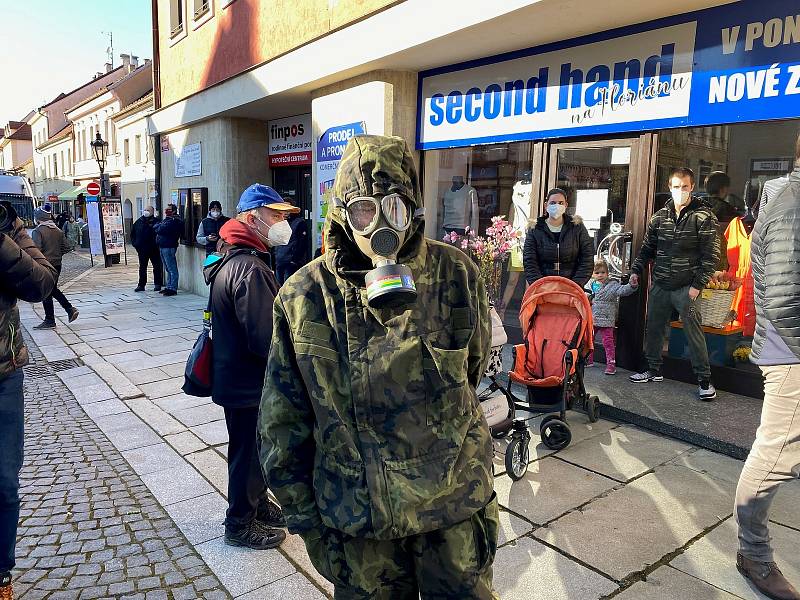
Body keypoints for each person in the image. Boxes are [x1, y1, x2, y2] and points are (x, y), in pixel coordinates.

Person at [259, 135, 498, 599]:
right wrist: (309, 523)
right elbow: (282, 424)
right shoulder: (304, 296)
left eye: (395, 207)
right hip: (360, 528)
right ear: (342, 214)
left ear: (414, 207)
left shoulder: (456, 274)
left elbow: (471, 372)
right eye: (365, 210)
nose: (380, 225)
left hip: (452, 516)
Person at [204, 184, 297, 550]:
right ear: (250, 217)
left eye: (284, 216)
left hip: (237, 377)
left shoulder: (234, 257)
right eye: (275, 215)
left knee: (251, 449)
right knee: (250, 452)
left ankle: (256, 506)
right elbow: (266, 337)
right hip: (249, 382)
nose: (282, 223)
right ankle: (240, 522)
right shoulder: (249, 268)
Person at [733, 138, 800, 600]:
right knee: (776, 457)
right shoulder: (791, 208)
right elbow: (782, 297)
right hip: (792, 353)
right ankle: (753, 554)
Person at [0, 201, 56, 600]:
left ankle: (1, 572)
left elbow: (42, 282)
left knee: (3, 482)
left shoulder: (6, 222)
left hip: (3, 375)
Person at [629, 167, 720, 400]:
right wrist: (636, 270)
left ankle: (704, 380)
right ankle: (652, 369)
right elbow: (648, 248)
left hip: (686, 287)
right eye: (676, 187)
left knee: (693, 332)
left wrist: (696, 286)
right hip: (661, 283)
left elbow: (711, 256)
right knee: (654, 327)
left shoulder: (704, 216)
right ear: (670, 187)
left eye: (685, 187)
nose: (681, 191)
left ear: (692, 187)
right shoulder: (659, 217)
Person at [523, 187, 594, 288]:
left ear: (566, 205)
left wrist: (575, 285)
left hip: (572, 289)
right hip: (543, 289)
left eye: (561, 203)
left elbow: (587, 258)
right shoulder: (535, 228)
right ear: (545, 205)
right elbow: (529, 261)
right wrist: (541, 286)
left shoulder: (577, 227)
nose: (557, 206)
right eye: (552, 203)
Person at [31, 205, 79, 329]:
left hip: (45, 265)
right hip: (57, 264)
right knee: (51, 289)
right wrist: (57, 254)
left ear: (38, 218)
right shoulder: (57, 230)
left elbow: (36, 250)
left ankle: (50, 319)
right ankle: (68, 310)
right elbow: (67, 247)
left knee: (46, 291)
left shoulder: (38, 231)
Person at [588, 259, 638, 375]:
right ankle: (588, 359)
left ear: (607, 273)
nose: (600, 275)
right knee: (589, 341)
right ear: (592, 274)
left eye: (602, 272)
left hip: (607, 319)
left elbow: (623, 290)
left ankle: (611, 364)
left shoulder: (613, 285)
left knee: (608, 343)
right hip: (593, 318)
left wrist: (631, 286)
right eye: (597, 273)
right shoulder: (590, 286)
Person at [131, 205, 163, 292]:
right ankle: (141, 285)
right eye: (145, 210)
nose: (146, 211)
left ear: (152, 212)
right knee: (142, 267)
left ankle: (158, 284)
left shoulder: (157, 222)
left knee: (156, 266)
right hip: (142, 249)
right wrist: (136, 244)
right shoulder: (139, 222)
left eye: (148, 210)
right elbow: (133, 234)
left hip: (154, 249)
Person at [273, 207, 309, 284]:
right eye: (283, 209)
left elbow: (303, 243)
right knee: (278, 287)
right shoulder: (279, 223)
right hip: (279, 261)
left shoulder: (299, 223)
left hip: (291, 262)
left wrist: (295, 260)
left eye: (287, 209)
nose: (285, 212)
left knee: (289, 288)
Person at [153, 205, 183, 296]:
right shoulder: (167, 219)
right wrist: (159, 226)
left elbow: (160, 229)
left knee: (171, 268)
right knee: (167, 268)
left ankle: (173, 288)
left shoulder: (175, 221)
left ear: (173, 211)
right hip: (162, 246)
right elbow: (156, 226)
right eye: (166, 209)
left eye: (169, 210)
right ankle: (169, 286)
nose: (166, 211)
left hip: (169, 246)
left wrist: (159, 226)